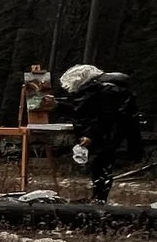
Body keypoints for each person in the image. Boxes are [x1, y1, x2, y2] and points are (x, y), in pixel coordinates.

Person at [62, 64, 145, 204]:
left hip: (110, 135)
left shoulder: (106, 90)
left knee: (101, 165)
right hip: (113, 134)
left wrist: (90, 134)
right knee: (102, 165)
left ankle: (99, 199)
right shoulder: (108, 89)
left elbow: (103, 116)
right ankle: (98, 198)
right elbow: (85, 111)